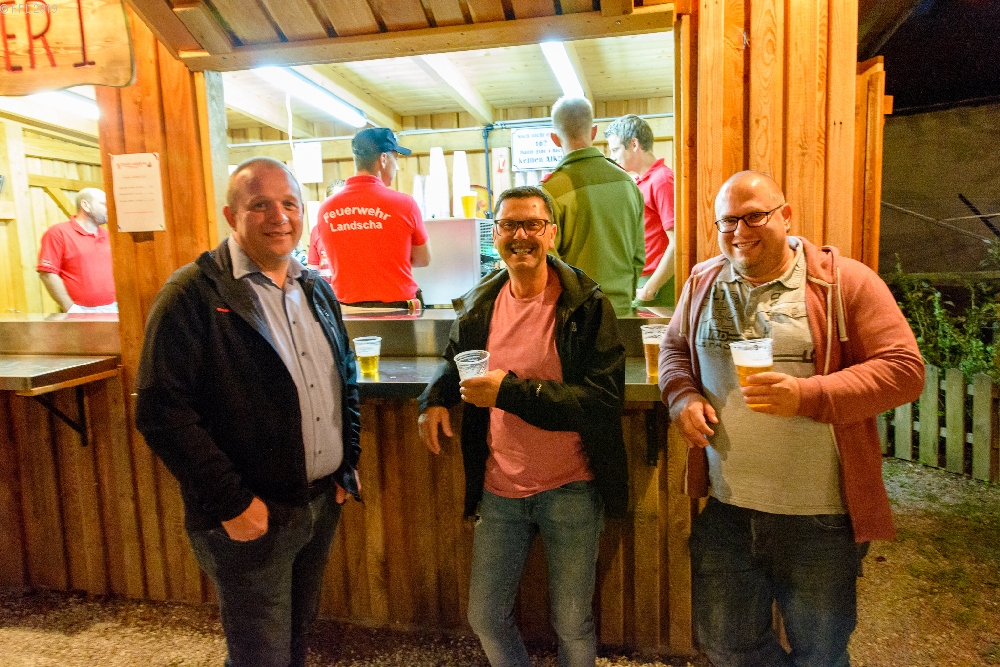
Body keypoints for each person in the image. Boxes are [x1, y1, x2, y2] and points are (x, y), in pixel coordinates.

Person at [658, 171, 925, 667]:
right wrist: (682, 397)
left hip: (820, 520)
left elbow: (904, 371)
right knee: (726, 646)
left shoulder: (843, 281)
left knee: (820, 655)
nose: (740, 231)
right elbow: (673, 349)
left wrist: (807, 395)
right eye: (727, 221)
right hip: (728, 508)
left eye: (755, 216)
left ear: (786, 216)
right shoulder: (703, 280)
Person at [135, 157, 362, 667]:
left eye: (289, 204)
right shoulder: (191, 295)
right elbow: (160, 411)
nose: (278, 217)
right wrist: (233, 502)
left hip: (319, 502)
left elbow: (344, 377)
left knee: (296, 640)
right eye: (260, 205)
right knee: (260, 655)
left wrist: (347, 462)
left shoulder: (315, 287)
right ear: (230, 215)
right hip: (252, 512)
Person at [417, 185, 629, 667]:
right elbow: (454, 359)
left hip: (572, 486)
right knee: (486, 616)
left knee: (572, 622)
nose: (521, 235)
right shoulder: (481, 303)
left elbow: (601, 401)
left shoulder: (586, 304)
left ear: (552, 234)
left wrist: (509, 393)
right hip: (499, 487)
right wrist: (434, 399)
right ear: (495, 234)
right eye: (509, 225)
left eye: (533, 224)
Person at [540, 96, 644, 316]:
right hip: (622, 312)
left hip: (577, 319)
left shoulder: (550, 191)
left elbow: (548, 264)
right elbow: (638, 256)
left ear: (554, 139)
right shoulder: (628, 184)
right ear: (594, 131)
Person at [317, 127, 430, 308]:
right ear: (383, 159)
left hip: (347, 311)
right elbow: (423, 259)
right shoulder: (404, 204)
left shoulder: (326, 209)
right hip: (397, 311)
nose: (397, 167)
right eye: (396, 159)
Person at [605, 114, 676, 308]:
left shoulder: (662, 180)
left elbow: (678, 243)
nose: (613, 157)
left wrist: (649, 290)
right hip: (642, 281)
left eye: (615, 149)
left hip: (658, 285)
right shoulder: (640, 182)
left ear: (634, 144)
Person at [36, 187, 117, 312]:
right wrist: (71, 309)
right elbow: (47, 274)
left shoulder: (108, 235)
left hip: (114, 308)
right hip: (80, 311)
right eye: (103, 204)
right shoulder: (58, 233)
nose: (109, 209)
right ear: (86, 205)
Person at [307, 179, 346, 286]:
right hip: (326, 292)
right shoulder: (317, 230)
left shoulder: (357, 229)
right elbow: (312, 270)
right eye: (335, 200)